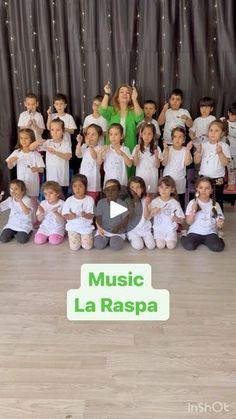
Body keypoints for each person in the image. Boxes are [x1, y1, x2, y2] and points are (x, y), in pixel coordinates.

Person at [6, 128, 45, 223]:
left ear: (32, 139)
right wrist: (11, 162)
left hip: (32, 182)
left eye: (26, 138)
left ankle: (35, 220)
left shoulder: (36, 154)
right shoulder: (17, 152)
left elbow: (42, 169)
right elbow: (10, 166)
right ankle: (25, 219)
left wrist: (37, 169)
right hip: (21, 183)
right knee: (22, 199)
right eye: (21, 138)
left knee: (33, 201)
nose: (23, 140)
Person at [194, 119, 231, 210]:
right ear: (208, 132)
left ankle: (217, 219)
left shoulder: (224, 146)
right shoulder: (203, 145)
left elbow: (226, 163)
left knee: (216, 201)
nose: (213, 133)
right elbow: (196, 161)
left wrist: (220, 153)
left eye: (216, 131)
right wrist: (198, 153)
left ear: (222, 133)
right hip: (203, 178)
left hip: (217, 180)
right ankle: (200, 218)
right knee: (200, 199)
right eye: (211, 130)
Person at [99, 83, 144, 157]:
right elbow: (102, 110)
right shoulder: (112, 110)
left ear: (130, 98)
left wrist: (134, 99)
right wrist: (107, 93)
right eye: (122, 92)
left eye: (127, 92)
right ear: (118, 97)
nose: (124, 94)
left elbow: (139, 117)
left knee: (128, 166)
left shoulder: (133, 111)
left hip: (129, 147)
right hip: (112, 147)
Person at [30, 118, 72, 198]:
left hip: (62, 179)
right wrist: (37, 142)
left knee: (62, 200)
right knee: (51, 200)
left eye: (58, 130)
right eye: (52, 130)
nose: (55, 132)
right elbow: (31, 148)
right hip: (51, 180)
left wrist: (55, 152)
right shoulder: (48, 142)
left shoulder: (66, 143)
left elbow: (68, 156)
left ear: (63, 131)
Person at [181, 176, 225, 251]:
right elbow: (188, 222)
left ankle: (220, 237)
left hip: (210, 232)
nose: (203, 190)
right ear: (197, 189)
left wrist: (220, 224)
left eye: (207, 188)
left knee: (217, 247)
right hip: (195, 232)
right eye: (201, 187)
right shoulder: (192, 203)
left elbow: (220, 224)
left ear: (211, 190)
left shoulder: (215, 204)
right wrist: (193, 211)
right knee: (189, 246)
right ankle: (184, 235)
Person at [149, 176, 184, 249]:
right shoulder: (154, 201)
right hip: (158, 229)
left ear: (172, 190)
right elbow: (147, 216)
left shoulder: (175, 203)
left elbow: (182, 220)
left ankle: (178, 235)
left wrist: (177, 219)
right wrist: (153, 211)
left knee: (171, 246)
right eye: (161, 187)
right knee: (160, 246)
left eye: (167, 188)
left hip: (170, 229)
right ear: (158, 189)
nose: (163, 190)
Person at [162, 127, 192, 210]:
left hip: (180, 182)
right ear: (172, 138)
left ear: (184, 139)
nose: (177, 139)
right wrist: (166, 152)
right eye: (175, 137)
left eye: (180, 137)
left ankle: (179, 222)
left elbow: (187, 163)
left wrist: (189, 150)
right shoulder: (168, 149)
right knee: (167, 204)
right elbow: (164, 163)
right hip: (167, 182)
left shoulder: (186, 150)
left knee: (179, 205)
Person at [62, 174, 94, 251]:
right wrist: (71, 216)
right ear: (72, 187)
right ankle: (76, 237)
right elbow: (65, 215)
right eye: (75, 186)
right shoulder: (69, 200)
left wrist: (86, 215)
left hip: (85, 227)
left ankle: (85, 237)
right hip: (73, 228)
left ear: (85, 187)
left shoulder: (90, 199)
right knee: (74, 247)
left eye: (80, 186)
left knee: (87, 247)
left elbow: (92, 215)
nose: (77, 189)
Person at [94, 179, 126, 250]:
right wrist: (99, 227)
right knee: (98, 245)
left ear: (119, 192)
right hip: (104, 230)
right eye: (107, 189)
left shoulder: (122, 204)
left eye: (113, 190)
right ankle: (107, 239)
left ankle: (112, 239)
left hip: (117, 231)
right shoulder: (101, 203)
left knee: (116, 246)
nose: (110, 192)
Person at [132, 122, 162, 196]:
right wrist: (136, 152)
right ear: (141, 134)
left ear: (153, 135)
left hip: (152, 179)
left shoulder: (157, 148)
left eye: (149, 134)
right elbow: (135, 164)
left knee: (151, 198)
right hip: (140, 178)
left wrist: (156, 156)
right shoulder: (137, 147)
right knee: (140, 197)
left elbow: (157, 166)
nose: (146, 136)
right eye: (144, 133)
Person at [75, 124, 103, 202]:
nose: (90, 137)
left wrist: (90, 146)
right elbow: (78, 154)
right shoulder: (84, 146)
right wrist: (79, 143)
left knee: (92, 202)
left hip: (93, 183)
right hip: (83, 181)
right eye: (88, 134)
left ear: (99, 137)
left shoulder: (100, 148)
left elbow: (94, 156)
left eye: (93, 134)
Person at [126, 176, 155, 250]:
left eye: (138, 187)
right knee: (139, 246)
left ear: (142, 189)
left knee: (151, 246)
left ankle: (142, 239)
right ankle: (130, 237)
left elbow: (146, 217)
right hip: (133, 230)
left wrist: (146, 205)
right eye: (132, 187)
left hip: (145, 229)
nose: (135, 190)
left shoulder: (146, 200)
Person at [0, 179, 33, 243]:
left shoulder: (27, 200)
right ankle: (14, 233)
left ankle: (29, 231)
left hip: (24, 225)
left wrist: (20, 200)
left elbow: (27, 212)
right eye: (11, 189)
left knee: (21, 240)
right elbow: (1, 208)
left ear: (22, 191)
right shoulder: (10, 199)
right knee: (3, 239)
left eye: (16, 189)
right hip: (12, 224)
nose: (13, 191)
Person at [34, 181, 65, 245]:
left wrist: (56, 212)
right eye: (45, 194)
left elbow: (63, 221)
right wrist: (42, 213)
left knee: (54, 241)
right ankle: (47, 235)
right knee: (38, 240)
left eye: (51, 193)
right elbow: (39, 219)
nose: (48, 196)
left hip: (57, 228)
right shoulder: (43, 203)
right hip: (44, 228)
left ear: (57, 193)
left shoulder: (62, 203)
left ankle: (61, 234)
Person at [222, 102, 236, 190]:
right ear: (228, 113)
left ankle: (232, 184)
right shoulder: (223, 121)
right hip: (222, 151)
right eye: (232, 114)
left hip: (233, 152)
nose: (234, 117)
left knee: (232, 169)